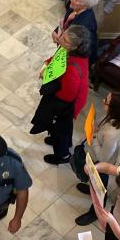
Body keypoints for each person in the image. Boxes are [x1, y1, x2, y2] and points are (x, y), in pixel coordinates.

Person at [30, 25, 91, 165]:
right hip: (66, 100)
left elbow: (67, 95)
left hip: (65, 105)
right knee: (64, 128)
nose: (60, 40)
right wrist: (47, 66)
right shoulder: (70, 51)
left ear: (75, 46)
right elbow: (57, 58)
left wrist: (49, 83)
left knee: (59, 130)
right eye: (63, 36)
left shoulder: (72, 69)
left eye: (65, 40)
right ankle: (63, 141)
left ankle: (62, 156)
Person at [74, 92, 120, 225]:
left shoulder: (112, 134)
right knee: (94, 184)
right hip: (100, 154)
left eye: (106, 101)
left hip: (101, 164)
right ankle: (90, 188)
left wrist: (94, 137)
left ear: (115, 109)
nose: (102, 101)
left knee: (99, 189)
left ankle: (94, 213)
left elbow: (102, 157)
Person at [55, 0, 99, 64]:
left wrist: (61, 41)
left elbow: (79, 50)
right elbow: (66, 24)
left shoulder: (84, 25)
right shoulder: (75, 8)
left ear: (84, 5)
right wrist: (56, 31)